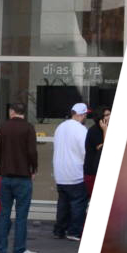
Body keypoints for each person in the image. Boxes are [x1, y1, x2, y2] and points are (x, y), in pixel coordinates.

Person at [0, 102, 38, 253]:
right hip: (23, 177)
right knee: (21, 215)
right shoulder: (28, 128)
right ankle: (19, 250)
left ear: (11, 112)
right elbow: (32, 151)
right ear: (23, 112)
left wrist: (2, 166)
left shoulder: (3, 127)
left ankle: (1, 249)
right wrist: (33, 168)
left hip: (6, 177)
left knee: (4, 213)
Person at [51, 103, 90, 240]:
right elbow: (85, 151)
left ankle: (59, 230)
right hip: (75, 172)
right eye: (85, 114)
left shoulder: (60, 127)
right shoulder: (81, 130)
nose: (86, 117)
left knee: (63, 204)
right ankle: (74, 232)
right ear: (80, 114)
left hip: (60, 173)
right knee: (78, 204)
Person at [84, 106, 108, 213]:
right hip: (93, 172)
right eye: (106, 115)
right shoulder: (94, 131)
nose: (110, 117)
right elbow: (103, 149)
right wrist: (105, 130)